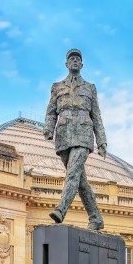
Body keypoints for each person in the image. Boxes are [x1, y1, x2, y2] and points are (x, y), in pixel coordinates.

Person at [43, 49, 108, 230]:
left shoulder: (90, 88)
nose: (74, 61)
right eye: (71, 58)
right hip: (63, 136)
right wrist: (48, 128)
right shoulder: (57, 87)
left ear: (81, 65)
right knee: (80, 180)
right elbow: (51, 111)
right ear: (66, 64)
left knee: (72, 174)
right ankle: (95, 217)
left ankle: (60, 210)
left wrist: (101, 141)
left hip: (83, 135)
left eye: (77, 59)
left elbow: (96, 116)